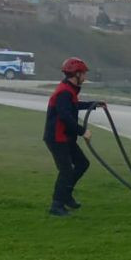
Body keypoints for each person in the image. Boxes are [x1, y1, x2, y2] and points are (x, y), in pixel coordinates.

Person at [43, 57, 104, 216]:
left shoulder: (69, 89)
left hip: (65, 138)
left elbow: (74, 106)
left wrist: (93, 104)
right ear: (76, 74)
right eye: (83, 74)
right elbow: (64, 116)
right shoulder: (64, 92)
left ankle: (66, 195)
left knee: (82, 163)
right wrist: (82, 131)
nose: (85, 77)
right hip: (57, 138)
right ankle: (56, 205)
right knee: (66, 171)